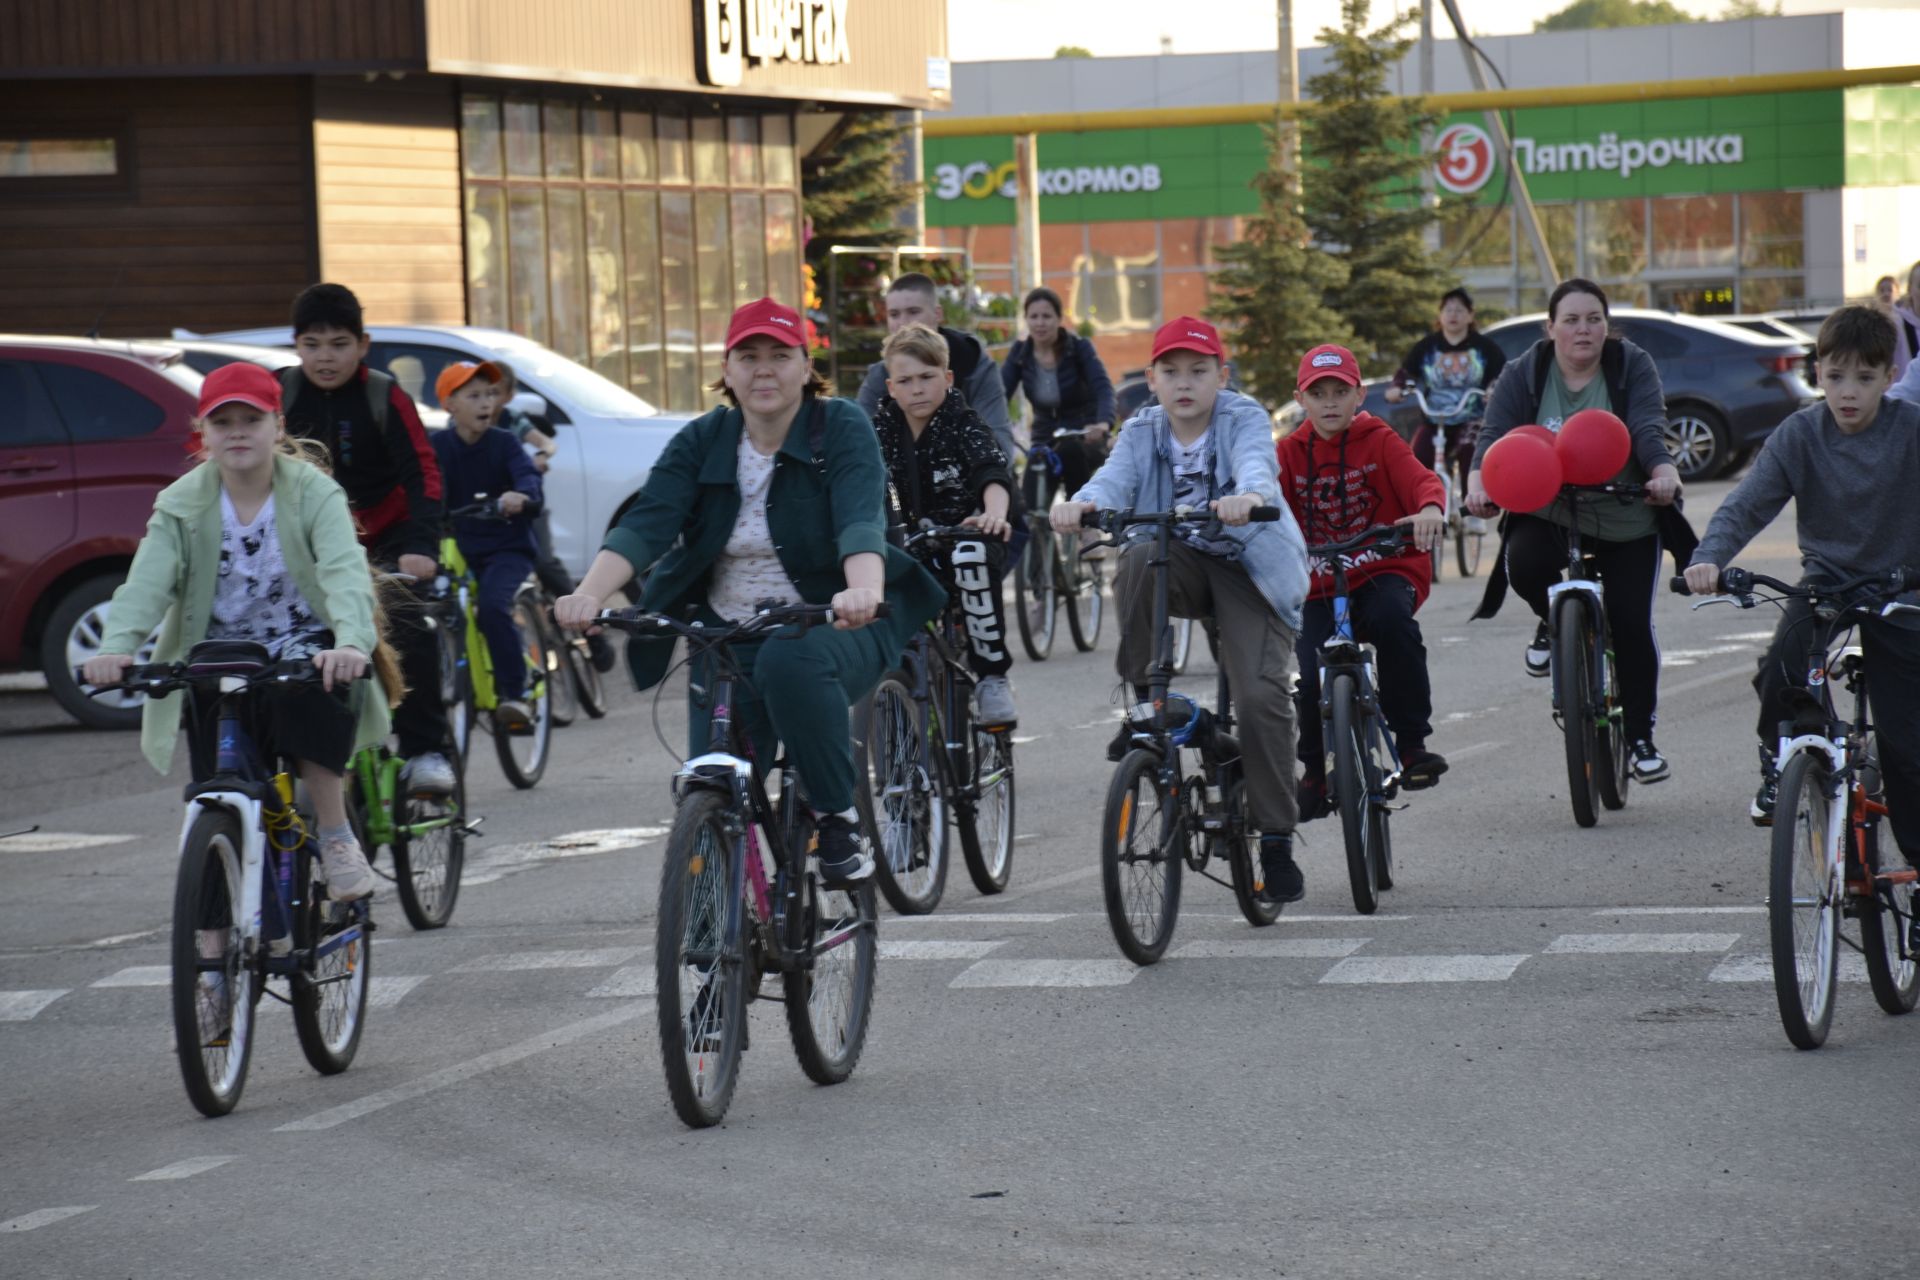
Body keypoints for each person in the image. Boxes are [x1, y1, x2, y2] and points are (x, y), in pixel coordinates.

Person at [553, 298, 945, 887]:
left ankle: (837, 819)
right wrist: (587, 594)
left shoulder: (840, 426)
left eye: (780, 356)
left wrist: (862, 591)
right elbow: (647, 524)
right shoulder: (702, 440)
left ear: (806, 365)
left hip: (835, 623)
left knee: (792, 661)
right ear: (728, 369)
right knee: (711, 785)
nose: (764, 369)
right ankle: (712, 953)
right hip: (726, 634)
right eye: (749, 356)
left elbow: (860, 520)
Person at [85, 363, 402, 901]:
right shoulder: (180, 503)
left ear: (276, 427)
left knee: (310, 701)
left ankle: (335, 833)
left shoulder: (312, 492)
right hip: (218, 651)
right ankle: (210, 955)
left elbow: (345, 573)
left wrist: (350, 642)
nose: (236, 431)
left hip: (302, 645)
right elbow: (146, 583)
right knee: (210, 796)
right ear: (202, 433)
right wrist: (116, 646)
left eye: (250, 419)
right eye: (221, 420)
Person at [1051, 316, 1310, 904]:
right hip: (1182, 563)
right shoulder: (1143, 428)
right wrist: (1084, 504)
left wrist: (1250, 498)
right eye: (1171, 372)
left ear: (1222, 375)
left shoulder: (1240, 416)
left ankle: (1275, 837)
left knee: (1260, 695)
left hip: (1250, 571)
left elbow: (1255, 465)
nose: (1184, 383)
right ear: (1152, 380)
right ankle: (1147, 701)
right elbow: (1113, 480)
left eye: (1199, 371)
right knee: (1138, 555)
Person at [1683, 304, 1920, 852]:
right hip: (1828, 583)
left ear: (1890, 377)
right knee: (1782, 667)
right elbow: (1745, 504)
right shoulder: (1800, 434)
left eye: (1865, 378)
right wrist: (1709, 558)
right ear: (1818, 373)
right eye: (1835, 376)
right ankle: (1784, 760)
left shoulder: (1910, 430)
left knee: (1907, 746)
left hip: (1902, 589)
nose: (1849, 393)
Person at [1465, 278, 1692, 784]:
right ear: (1551, 328)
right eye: (1571, 320)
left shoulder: (1630, 365)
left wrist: (1661, 472)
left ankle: (1639, 739)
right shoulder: (1525, 372)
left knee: (1631, 623)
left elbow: (1648, 427)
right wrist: (1479, 484)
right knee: (1523, 566)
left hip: (1625, 514)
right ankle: (1552, 620)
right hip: (1549, 510)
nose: (1583, 329)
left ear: (1607, 327)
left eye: (1594, 319)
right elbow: (1494, 437)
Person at [279, 283, 454, 794]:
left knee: (405, 629)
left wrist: (420, 544)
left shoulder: (384, 395)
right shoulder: (281, 395)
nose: (325, 357)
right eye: (312, 344)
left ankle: (424, 751)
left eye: (339, 344)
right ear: (297, 345)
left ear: (363, 344)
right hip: (308, 540)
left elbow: (422, 470)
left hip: (385, 537)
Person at [1278, 344, 1449, 821]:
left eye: (1340, 392)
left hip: (1382, 569)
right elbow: (1263, 502)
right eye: (1319, 393)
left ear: (1360, 397)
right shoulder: (1287, 454)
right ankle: (1313, 771)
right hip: (1317, 584)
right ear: (1301, 399)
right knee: (1310, 678)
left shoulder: (1380, 439)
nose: (1330, 402)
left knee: (1395, 624)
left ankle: (1412, 746)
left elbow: (1420, 481)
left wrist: (1430, 509)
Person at [870, 325, 1019, 727]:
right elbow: (852, 479)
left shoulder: (964, 422)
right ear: (892, 386)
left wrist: (993, 513)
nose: (916, 389)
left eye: (926, 377)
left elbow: (992, 472)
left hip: (965, 538)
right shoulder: (879, 430)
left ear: (947, 378)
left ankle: (992, 677)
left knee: (970, 555)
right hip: (908, 546)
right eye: (906, 380)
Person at [431, 360, 543, 732]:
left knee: (493, 607)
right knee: (424, 609)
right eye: (474, 395)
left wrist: (521, 495)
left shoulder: (505, 442)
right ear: (450, 404)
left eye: (491, 394)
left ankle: (516, 694)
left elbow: (528, 477)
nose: (486, 403)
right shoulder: (439, 446)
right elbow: (422, 487)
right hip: (459, 547)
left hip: (507, 546)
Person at [854, 272, 1017, 465]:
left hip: (974, 484)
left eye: (913, 311)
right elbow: (856, 441)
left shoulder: (974, 363)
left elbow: (1000, 447)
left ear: (937, 314)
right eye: (894, 314)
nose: (903, 323)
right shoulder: (880, 374)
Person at [1002, 287, 1115, 514]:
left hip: (1083, 434)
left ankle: (1084, 524)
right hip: (1044, 438)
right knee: (1031, 507)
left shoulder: (1079, 349)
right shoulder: (1020, 354)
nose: (1040, 323)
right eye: (1034, 317)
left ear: (1059, 319)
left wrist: (1103, 424)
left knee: (1071, 451)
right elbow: (999, 395)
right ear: (1026, 320)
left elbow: (1103, 388)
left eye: (1046, 316)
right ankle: (1040, 545)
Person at [1385, 286, 1507, 472]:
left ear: (1470, 316)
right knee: (1416, 461)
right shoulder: (1427, 347)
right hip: (1435, 419)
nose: (1453, 315)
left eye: (1459, 310)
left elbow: (1501, 374)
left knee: (1471, 456)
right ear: (1440, 315)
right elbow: (1406, 372)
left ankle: (1471, 499)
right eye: (1448, 310)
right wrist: (1397, 387)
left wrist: (1493, 389)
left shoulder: (1485, 347)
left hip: (1472, 418)